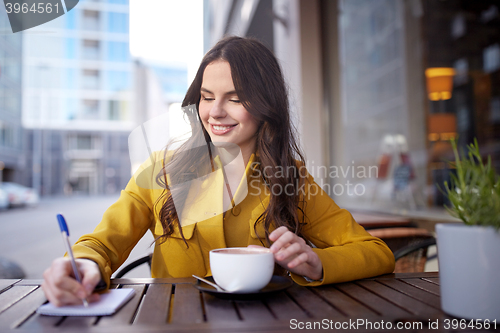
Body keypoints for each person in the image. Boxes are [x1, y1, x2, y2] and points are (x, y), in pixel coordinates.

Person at [42, 36, 395, 306]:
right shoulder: (160, 171)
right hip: (175, 322)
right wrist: (84, 263)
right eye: (207, 96)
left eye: (236, 98)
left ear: (265, 105)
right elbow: (102, 243)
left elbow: (376, 252)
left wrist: (317, 262)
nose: (215, 112)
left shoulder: (292, 178)